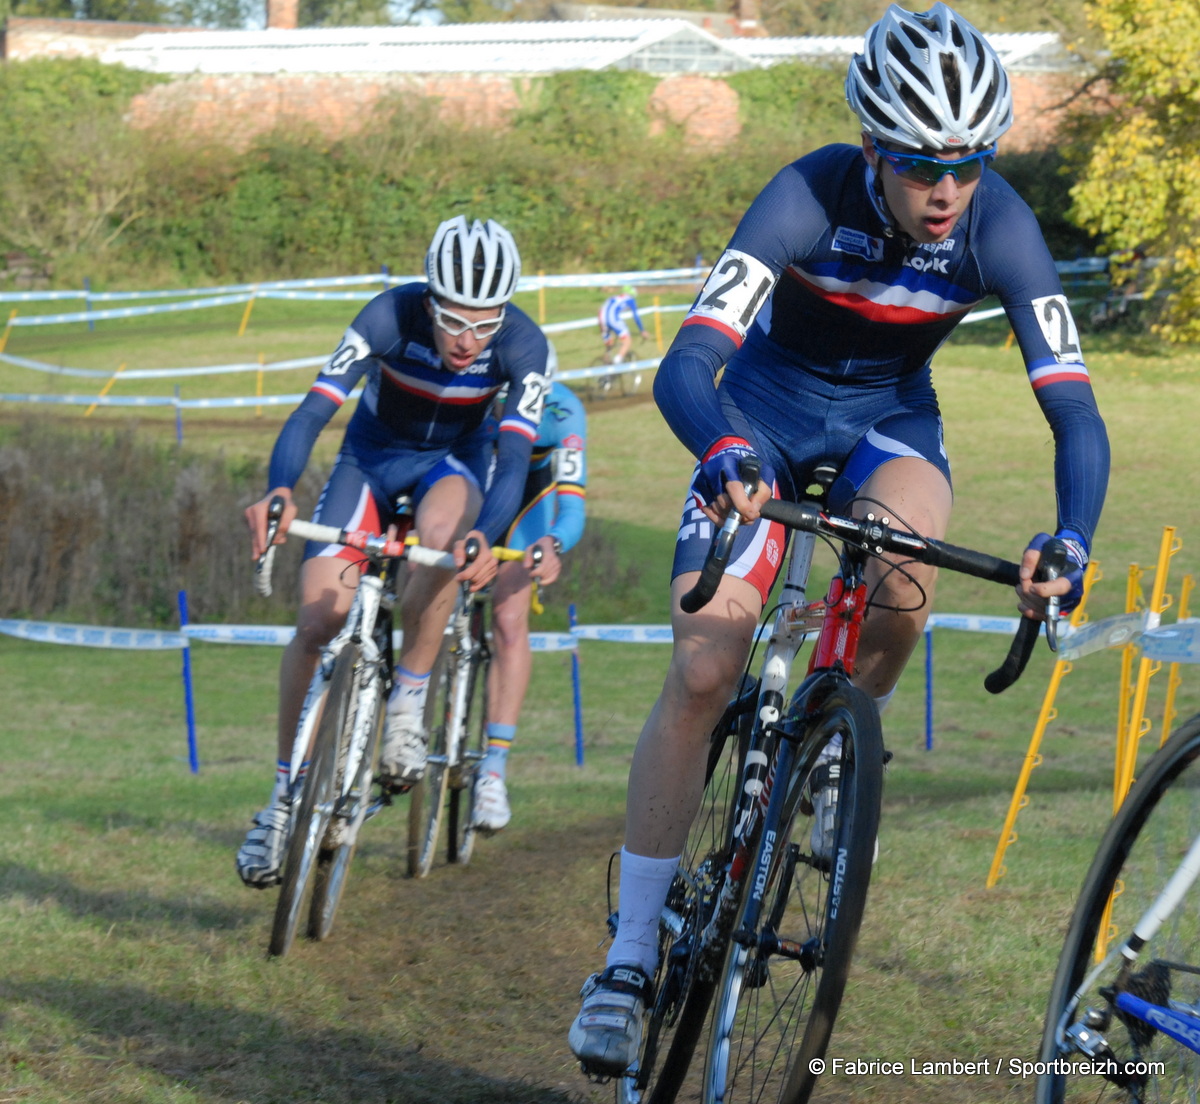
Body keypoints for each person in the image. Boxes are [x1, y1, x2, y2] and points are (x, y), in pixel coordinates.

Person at [568, 2, 1109, 1076]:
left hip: (888, 423)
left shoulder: (998, 225)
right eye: (919, 166)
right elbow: (687, 365)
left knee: (908, 577)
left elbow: (1075, 410)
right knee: (706, 658)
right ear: (873, 149)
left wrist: (1073, 537)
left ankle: (826, 744)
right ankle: (629, 958)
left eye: (968, 162)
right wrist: (722, 448)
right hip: (761, 416)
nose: (946, 189)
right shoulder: (805, 194)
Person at [236, 215, 552, 889]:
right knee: (319, 620)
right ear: (428, 302)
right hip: (369, 462)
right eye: (453, 321)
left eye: (485, 324)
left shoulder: (526, 345)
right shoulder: (386, 316)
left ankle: (408, 699)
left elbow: (517, 455)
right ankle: (281, 798)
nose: (469, 341)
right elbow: (311, 412)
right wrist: (280, 490)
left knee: (442, 546)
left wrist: (485, 535)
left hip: (452, 466)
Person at [472, 378, 588, 833]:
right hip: (473, 486)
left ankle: (493, 770)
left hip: (528, 502)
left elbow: (572, 507)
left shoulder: (565, 413)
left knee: (508, 618)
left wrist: (553, 542)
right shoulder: (473, 395)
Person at [598, 285, 648, 365]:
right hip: (613, 319)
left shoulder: (612, 298)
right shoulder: (630, 300)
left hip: (602, 319)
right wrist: (642, 330)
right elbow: (636, 316)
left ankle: (606, 367)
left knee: (609, 344)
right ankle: (616, 364)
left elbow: (601, 310)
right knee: (627, 341)